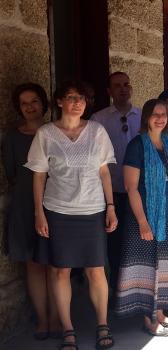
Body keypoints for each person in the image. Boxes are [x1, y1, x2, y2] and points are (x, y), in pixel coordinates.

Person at [26, 80, 117, 350]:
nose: (77, 102)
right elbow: (39, 176)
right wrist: (39, 213)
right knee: (60, 271)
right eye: (71, 97)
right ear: (59, 102)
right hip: (58, 211)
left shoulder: (97, 131)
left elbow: (104, 172)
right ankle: (68, 329)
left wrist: (111, 207)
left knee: (96, 271)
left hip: (92, 210)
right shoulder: (45, 134)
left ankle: (102, 324)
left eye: (82, 98)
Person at [114, 99, 168, 336]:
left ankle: (161, 313)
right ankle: (148, 317)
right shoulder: (136, 146)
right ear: (146, 117)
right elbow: (130, 187)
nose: (160, 118)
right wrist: (143, 222)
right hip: (142, 217)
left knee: (164, 264)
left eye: (163, 114)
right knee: (145, 266)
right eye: (155, 114)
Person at [2, 83, 60, 340]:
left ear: (44, 103)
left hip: (57, 204)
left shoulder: (56, 132)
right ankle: (43, 320)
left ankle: (59, 319)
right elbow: (12, 173)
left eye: (34, 101)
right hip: (25, 207)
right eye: (24, 103)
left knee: (56, 264)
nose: (29, 107)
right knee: (34, 265)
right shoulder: (12, 137)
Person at [91, 71, 142, 291]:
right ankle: (115, 293)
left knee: (136, 243)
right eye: (117, 85)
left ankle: (134, 291)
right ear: (109, 91)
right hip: (110, 193)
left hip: (138, 192)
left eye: (126, 84)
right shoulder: (98, 119)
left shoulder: (142, 116)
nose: (123, 88)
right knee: (113, 245)